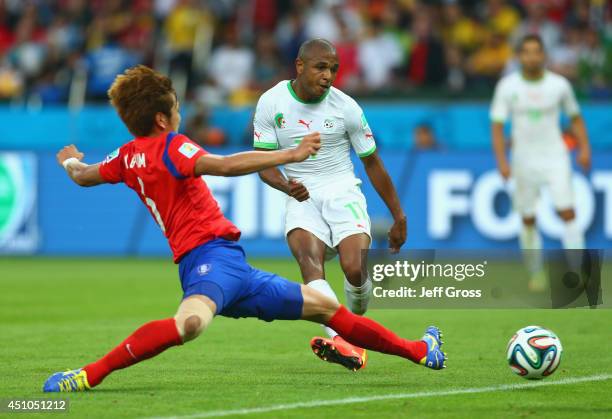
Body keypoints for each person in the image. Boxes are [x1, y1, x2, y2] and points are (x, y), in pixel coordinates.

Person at [43, 65, 445, 392]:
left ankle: (420, 351)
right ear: (163, 118)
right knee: (190, 324)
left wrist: (69, 161)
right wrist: (292, 152)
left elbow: (83, 175)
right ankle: (86, 375)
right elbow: (224, 165)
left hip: (231, 271)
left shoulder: (125, 156)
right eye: (177, 107)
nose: (180, 113)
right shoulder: (173, 145)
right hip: (212, 262)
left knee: (327, 308)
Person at [254, 39, 407, 371]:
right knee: (311, 267)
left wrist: (398, 215)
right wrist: (285, 185)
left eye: (333, 69)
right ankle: (343, 341)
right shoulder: (271, 102)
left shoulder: (346, 108)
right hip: (301, 196)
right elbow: (262, 162)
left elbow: (373, 163)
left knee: (354, 269)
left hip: (341, 192)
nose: (328, 76)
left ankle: (354, 317)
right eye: (321, 67)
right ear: (300, 66)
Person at [490, 34, 591, 291]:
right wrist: (502, 161)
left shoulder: (559, 85)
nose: (532, 56)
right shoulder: (508, 86)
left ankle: (577, 271)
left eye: (537, 51)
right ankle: (536, 273)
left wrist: (584, 148)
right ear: (519, 56)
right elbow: (497, 126)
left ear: (544, 55)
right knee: (527, 218)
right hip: (523, 159)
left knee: (567, 211)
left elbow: (575, 117)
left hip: (556, 155)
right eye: (527, 52)